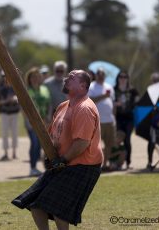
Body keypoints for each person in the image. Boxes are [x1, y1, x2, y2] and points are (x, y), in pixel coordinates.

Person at [12, 70, 103, 229]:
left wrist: (62, 160)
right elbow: (54, 137)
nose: (66, 78)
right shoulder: (63, 106)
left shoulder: (84, 108)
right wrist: (48, 155)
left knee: (58, 211)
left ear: (83, 86)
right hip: (63, 163)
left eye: (72, 77)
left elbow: (82, 143)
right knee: (36, 204)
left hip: (83, 165)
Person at [24, 67, 51, 177]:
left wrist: (49, 117)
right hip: (32, 122)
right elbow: (24, 107)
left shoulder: (45, 89)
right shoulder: (26, 91)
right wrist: (28, 121)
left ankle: (38, 168)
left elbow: (49, 103)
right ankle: (32, 167)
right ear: (29, 79)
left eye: (37, 77)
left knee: (40, 145)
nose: (35, 79)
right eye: (33, 77)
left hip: (44, 121)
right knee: (34, 143)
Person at [88, 68, 116, 170]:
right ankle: (96, 164)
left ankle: (105, 165)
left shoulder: (109, 87)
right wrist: (104, 96)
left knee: (109, 144)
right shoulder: (92, 86)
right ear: (96, 75)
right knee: (96, 145)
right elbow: (90, 101)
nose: (101, 76)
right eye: (99, 74)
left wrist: (114, 117)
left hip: (109, 120)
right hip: (97, 121)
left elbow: (112, 103)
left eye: (103, 74)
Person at [114, 70, 139, 169]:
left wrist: (133, 102)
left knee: (127, 140)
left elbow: (137, 101)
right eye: (121, 77)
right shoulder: (114, 89)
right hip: (118, 118)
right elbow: (110, 102)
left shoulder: (133, 90)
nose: (123, 79)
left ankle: (128, 162)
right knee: (118, 140)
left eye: (125, 77)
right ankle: (117, 162)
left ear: (128, 79)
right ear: (118, 78)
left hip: (129, 118)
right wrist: (116, 104)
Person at [0, 71, 20, 160]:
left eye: (6, 75)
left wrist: (15, 99)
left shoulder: (16, 86)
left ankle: (14, 153)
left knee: (14, 133)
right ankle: (5, 153)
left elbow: (20, 97)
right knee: (4, 133)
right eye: (3, 76)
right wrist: (6, 101)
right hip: (4, 113)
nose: (5, 77)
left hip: (15, 112)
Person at [147, 72, 159, 169]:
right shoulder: (149, 93)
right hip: (154, 124)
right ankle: (149, 161)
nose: (156, 82)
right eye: (154, 81)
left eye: (158, 81)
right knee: (151, 142)